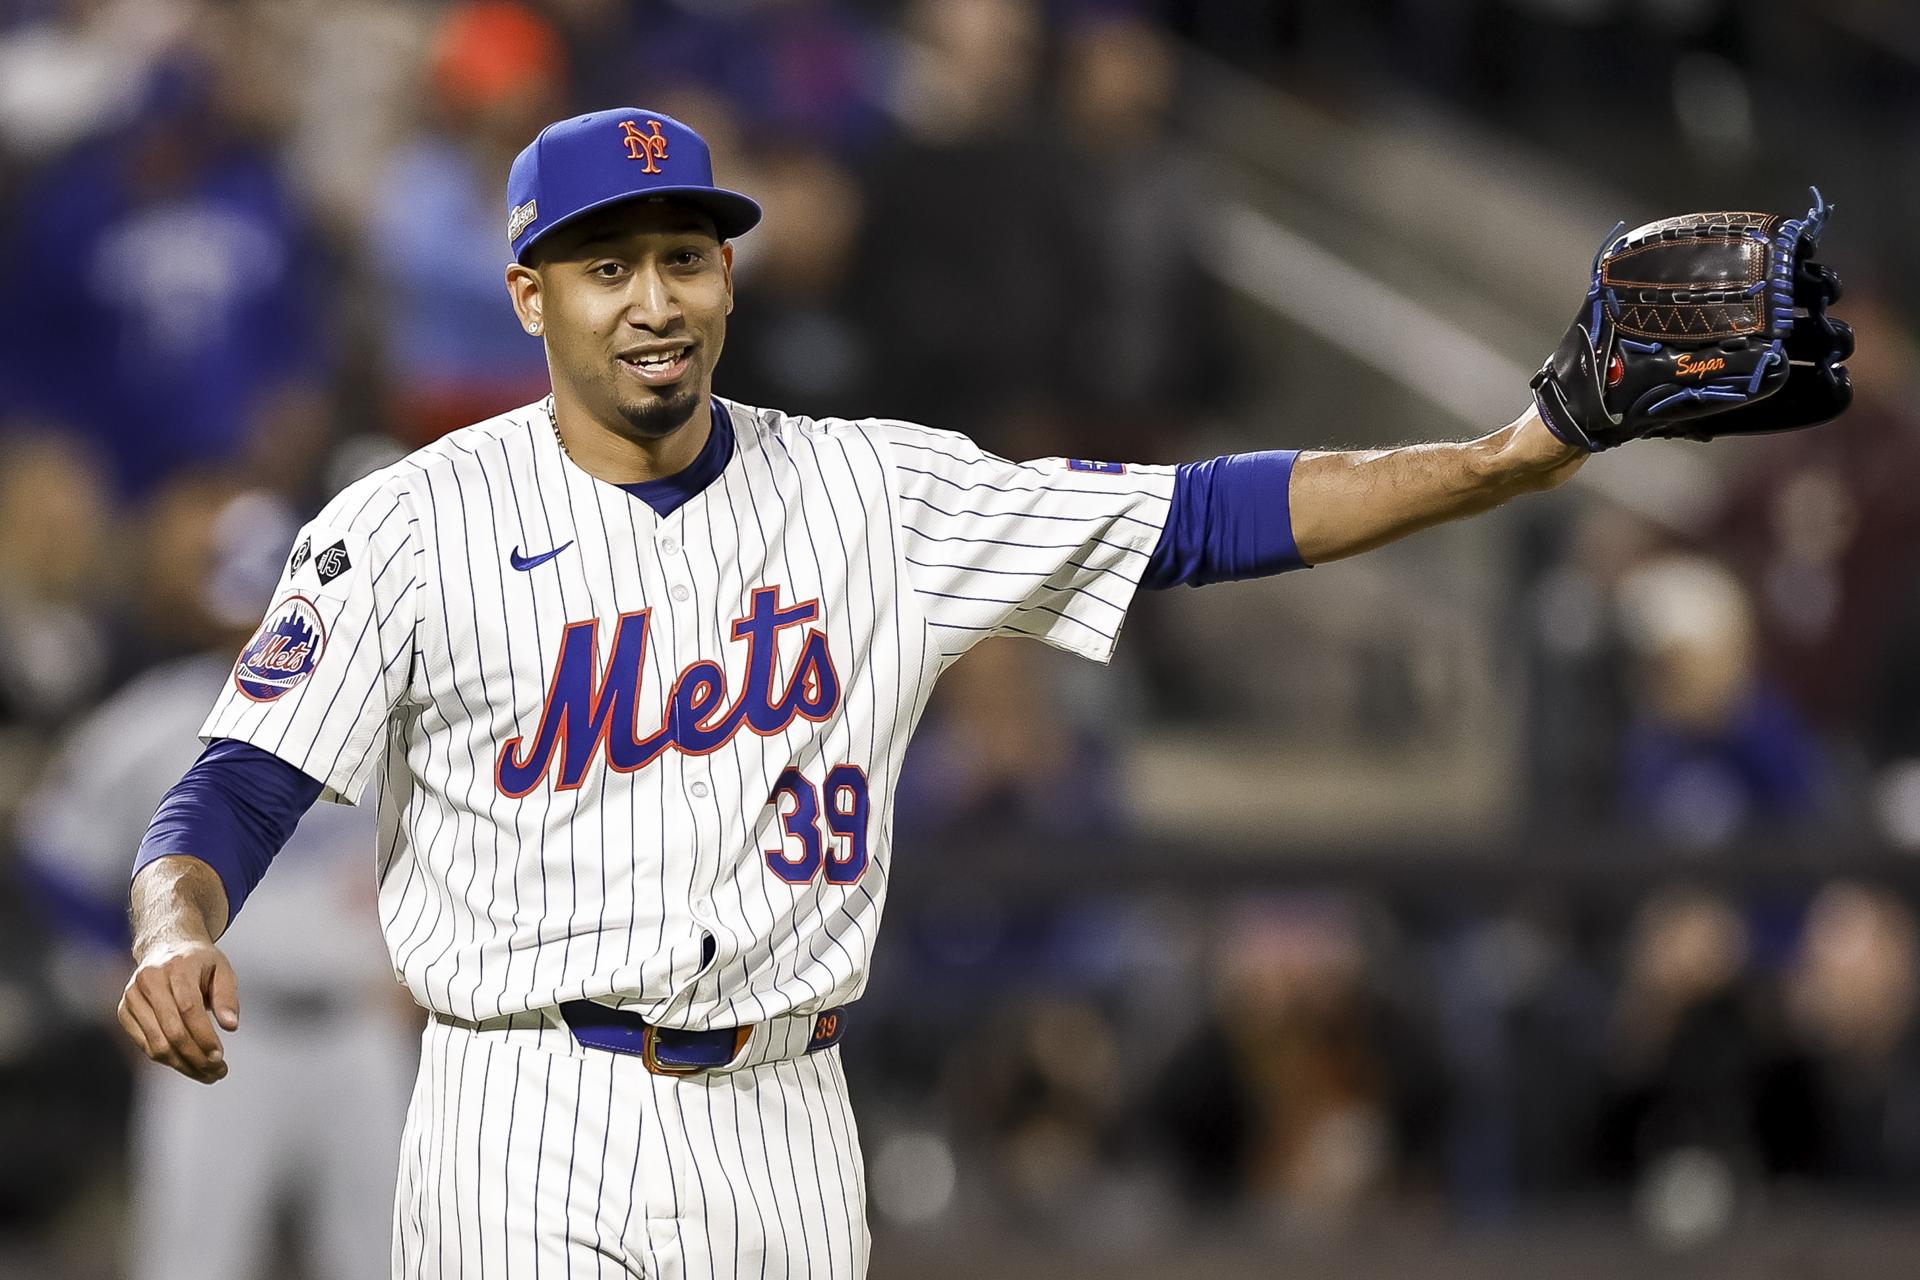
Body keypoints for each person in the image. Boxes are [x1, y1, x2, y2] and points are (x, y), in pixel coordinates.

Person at [115, 107, 1831, 1278]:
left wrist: (1509, 455)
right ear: (530, 293)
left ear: (731, 276)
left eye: (686, 258)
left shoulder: (876, 492)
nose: (655, 299)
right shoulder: (411, 521)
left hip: (789, 1109)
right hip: (524, 1100)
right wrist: (176, 927)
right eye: (607, 263)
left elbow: (1198, 518)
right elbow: (236, 787)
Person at [23, 480, 414, 1280]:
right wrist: (111, 970)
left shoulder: (383, 712)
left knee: (386, 1259)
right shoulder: (158, 719)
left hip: (363, 1031)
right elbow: (50, 858)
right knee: (193, 1261)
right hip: (225, 1039)